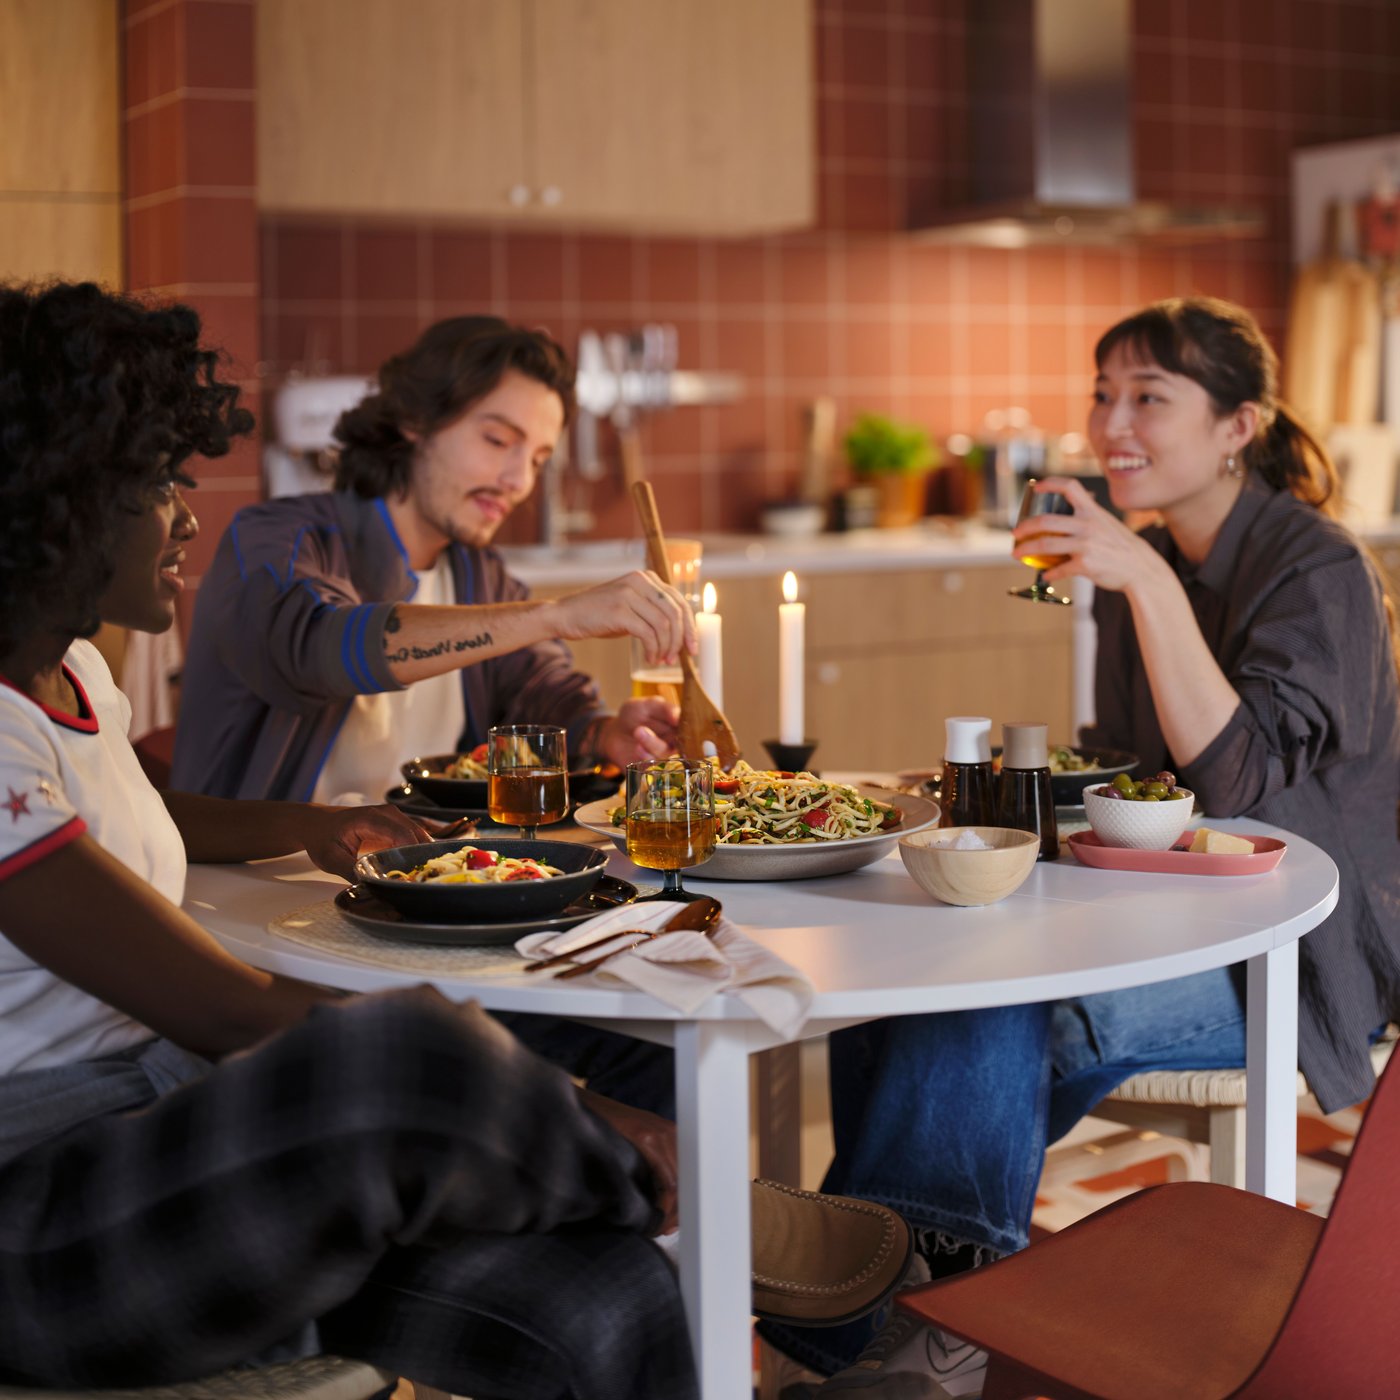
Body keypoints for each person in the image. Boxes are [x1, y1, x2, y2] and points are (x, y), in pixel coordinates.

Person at [0, 282, 913, 1399]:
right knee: (401, 1053)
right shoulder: (275, 549)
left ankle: (686, 1233)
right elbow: (230, 1007)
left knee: (602, 1296)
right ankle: (715, 1205)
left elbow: (141, 812)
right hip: (44, 1205)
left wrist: (328, 821)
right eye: (155, 483)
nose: (184, 514)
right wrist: (574, 1103)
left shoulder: (74, 675)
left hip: (181, 1137)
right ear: (50, 492)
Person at [765, 296, 1400, 1396]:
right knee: (906, 1002)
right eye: (1102, 393)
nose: (1112, 421)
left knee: (991, 1004)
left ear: (1234, 425)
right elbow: (1132, 771)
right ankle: (901, 1323)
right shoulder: (1139, 566)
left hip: (1295, 952)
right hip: (1170, 909)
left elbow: (1235, 779)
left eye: (1148, 396)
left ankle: (909, 1333)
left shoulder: (1315, 569)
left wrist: (1141, 579)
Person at [171, 314, 695, 805]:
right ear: (414, 419)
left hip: (422, 883)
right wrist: (553, 615)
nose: (519, 481)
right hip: (251, 886)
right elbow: (319, 644)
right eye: (497, 440)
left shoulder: (479, 576)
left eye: (538, 459)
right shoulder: (272, 540)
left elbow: (540, 690)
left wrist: (607, 733)